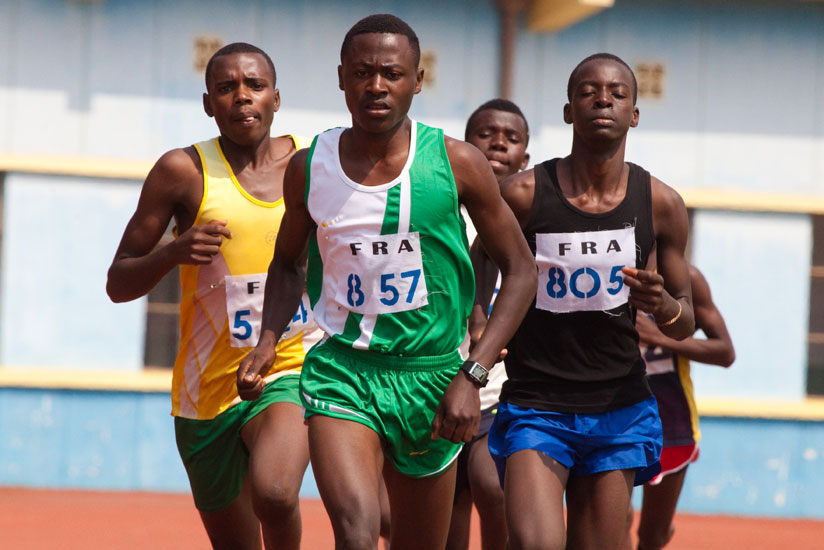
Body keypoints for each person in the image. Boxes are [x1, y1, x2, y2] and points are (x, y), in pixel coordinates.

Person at [237, 14, 537, 550]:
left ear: (417, 80)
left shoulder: (457, 163)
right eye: (362, 72)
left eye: (392, 74)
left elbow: (521, 269)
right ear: (342, 78)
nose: (376, 86)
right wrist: (266, 340)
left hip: (434, 376)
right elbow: (286, 263)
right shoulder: (310, 167)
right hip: (344, 371)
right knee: (356, 533)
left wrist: (474, 372)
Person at [106, 43, 318, 550]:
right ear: (208, 104)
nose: (242, 98)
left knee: (275, 492)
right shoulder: (182, 171)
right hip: (207, 390)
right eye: (226, 88)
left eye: (255, 86)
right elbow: (119, 282)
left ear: (276, 98)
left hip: (290, 363)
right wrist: (172, 252)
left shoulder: (313, 166)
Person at [485, 52, 696, 550]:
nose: (603, 99)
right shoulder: (523, 194)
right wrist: (479, 327)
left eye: (618, 93)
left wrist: (662, 302)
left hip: (618, 406)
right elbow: (480, 264)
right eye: (588, 91)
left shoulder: (661, 203)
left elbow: (685, 320)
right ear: (567, 110)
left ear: (635, 113)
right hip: (537, 403)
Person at [446, 98, 531, 550]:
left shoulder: (534, 226)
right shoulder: (442, 213)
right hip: (432, 384)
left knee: (492, 487)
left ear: (525, 157)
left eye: (511, 137)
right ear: (464, 147)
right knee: (438, 517)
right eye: (485, 134)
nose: (498, 143)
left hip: (500, 392)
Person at [630, 264, 735, 550]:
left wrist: (658, 337)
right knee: (610, 521)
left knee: (651, 537)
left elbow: (725, 351)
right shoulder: (600, 267)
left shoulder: (687, 279)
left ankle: (662, 532)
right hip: (613, 413)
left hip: (670, 420)